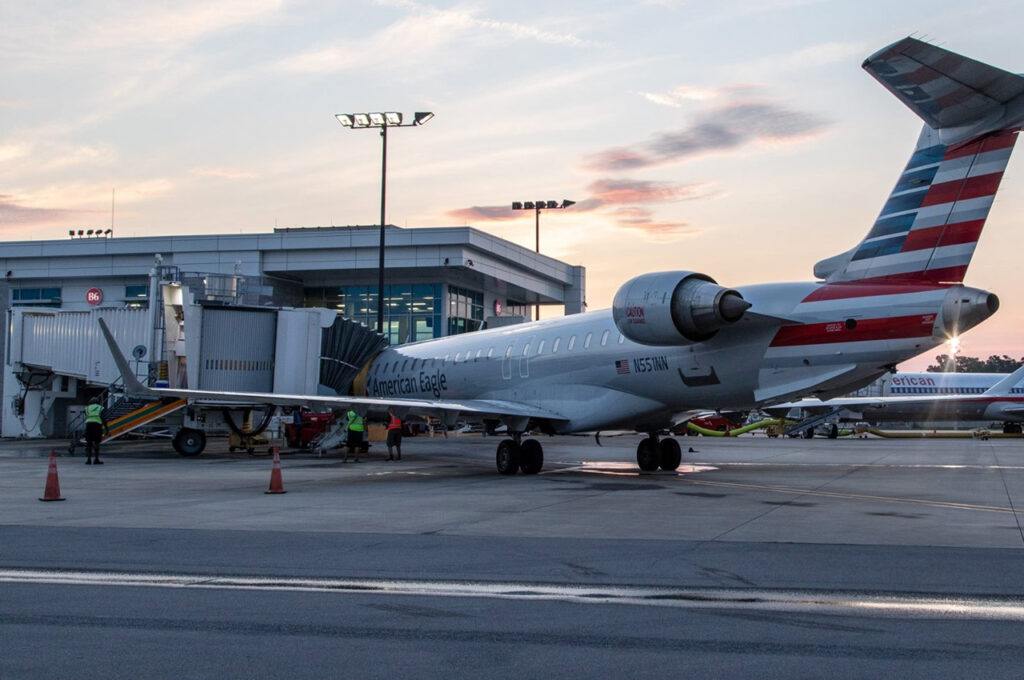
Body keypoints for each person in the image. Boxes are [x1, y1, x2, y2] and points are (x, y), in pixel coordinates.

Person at [84, 397, 107, 465]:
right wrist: (106, 428)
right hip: (97, 425)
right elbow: (103, 418)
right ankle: (96, 459)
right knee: (96, 442)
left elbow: (86, 416)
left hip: (89, 425)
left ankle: (89, 460)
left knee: (89, 443)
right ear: (98, 402)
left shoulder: (87, 408)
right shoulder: (100, 408)